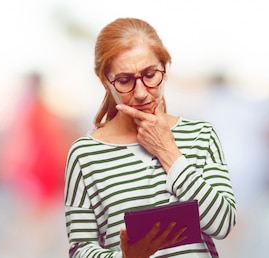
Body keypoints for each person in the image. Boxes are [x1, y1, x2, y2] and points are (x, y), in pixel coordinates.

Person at [64, 18, 236, 258]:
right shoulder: (85, 153)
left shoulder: (200, 135)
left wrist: (168, 151)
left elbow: (223, 223)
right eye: (125, 81)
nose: (142, 92)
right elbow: (80, 249)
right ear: (105, 81)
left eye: (150, 75)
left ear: (164, 68)